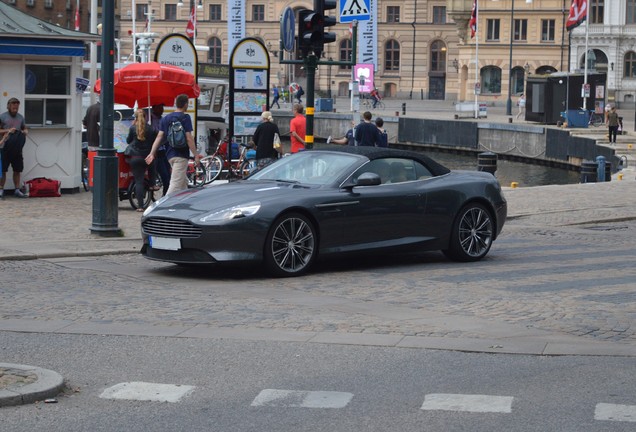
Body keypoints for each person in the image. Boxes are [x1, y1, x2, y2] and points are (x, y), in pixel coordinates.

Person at [146, 94, 200, 196]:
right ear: (185, 104)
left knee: (182, 182)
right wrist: (196, 155)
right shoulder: (185, 118)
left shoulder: (166, 119)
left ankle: (185, 204)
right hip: (181, 155)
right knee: (175, 184)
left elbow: (159, 137)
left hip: (170, 155)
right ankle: (164, 206)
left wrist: (152, 153)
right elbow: (189, 138)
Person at [126, 109, 158, 211]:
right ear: (146, 117)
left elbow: (128, 141)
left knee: (138, 181)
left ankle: (140, 206)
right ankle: (153, 184)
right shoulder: (151, 129)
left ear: (135, 118)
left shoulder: (132, 128)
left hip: (135, 158)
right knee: (153, 165)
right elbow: (155, 141)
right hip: (147, 157)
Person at [0, 98, 29, 199]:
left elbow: (24, 127)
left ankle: (17, 190)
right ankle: (1, 190)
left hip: (17, 149)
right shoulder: (2, 117)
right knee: (3, 170)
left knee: (17, 170)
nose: (15, 107)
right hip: (5, 148)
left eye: (17, 105)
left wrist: (25, 131)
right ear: (8, 106)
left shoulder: (21, 117)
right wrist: (8, 130)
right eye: (13, 105)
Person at [150, 104, 170, 195]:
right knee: (164, 176)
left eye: (162, 107)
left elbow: (165, 135)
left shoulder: (163, 119)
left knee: (168, 176)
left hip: (163, 150)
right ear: (154, 108)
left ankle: (165, 195)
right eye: (160, 107)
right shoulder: (150, 119)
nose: (162, 109)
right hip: (155, 152)